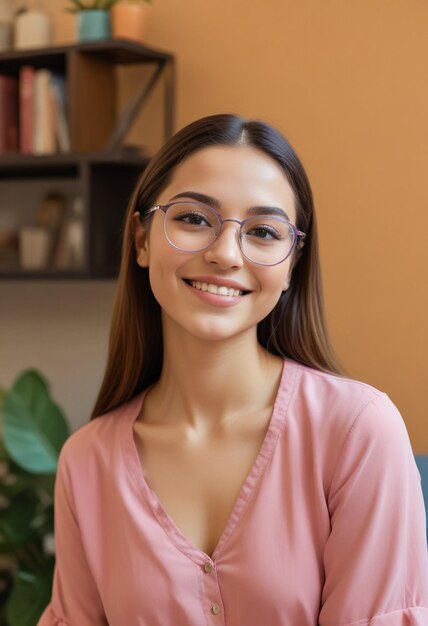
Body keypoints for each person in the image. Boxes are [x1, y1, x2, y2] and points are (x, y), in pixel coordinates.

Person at [38, 114, 428, 626]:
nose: (225, 254)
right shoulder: (86, 463)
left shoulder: (358, 431)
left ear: (291, 264)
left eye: (264, 232)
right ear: (141, 239)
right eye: (194, 219)